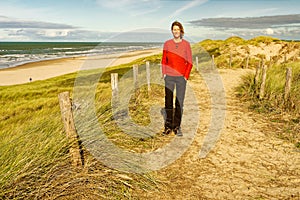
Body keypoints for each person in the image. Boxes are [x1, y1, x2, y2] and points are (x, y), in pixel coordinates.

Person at [161, 21, 193, 137]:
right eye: (174, 29)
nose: (176, 31)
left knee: (179, 102)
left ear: (181, 31)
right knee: (168, 102)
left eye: (178, 29)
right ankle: (168, 126)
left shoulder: (186, 44)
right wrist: (164, 73)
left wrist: (186, 76)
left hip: (181, 78)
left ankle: (177, 127)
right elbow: (164, 60)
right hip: (169, 77)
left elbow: (189, 62)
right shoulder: (167, 44)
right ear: (172, 31)